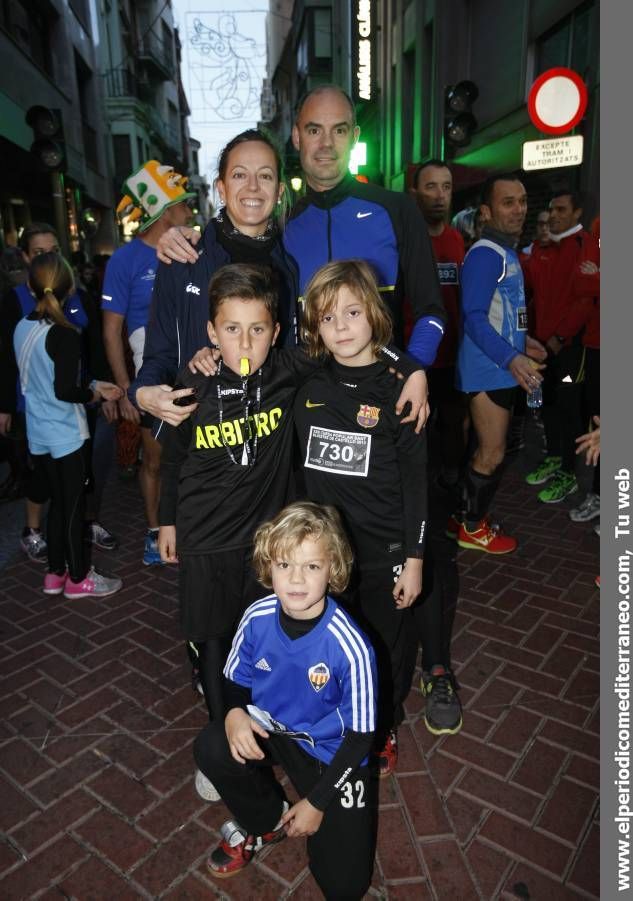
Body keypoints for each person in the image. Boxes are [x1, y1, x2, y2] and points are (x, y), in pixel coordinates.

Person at [156, 86, 446, 423]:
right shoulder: (281, 228)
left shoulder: (397, 211)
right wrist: (184, 235)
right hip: (306, 410)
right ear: (296, 137)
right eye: (313, 130)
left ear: (354, 136)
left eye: (338, 130)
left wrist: (412, 368)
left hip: (386, 400)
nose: (326, 144)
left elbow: (433, 312)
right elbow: (233, 249)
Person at [295, 259, 461, 762]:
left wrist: (413, 560)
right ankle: (338, 714)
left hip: (387, 548)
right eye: (327, 318)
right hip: (328, 553)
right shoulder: (306, 382)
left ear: (374, 312)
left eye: (351, 313)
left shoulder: (399, 390)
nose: (341, 327)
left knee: (384, 649)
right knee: (333, 645)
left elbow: (416, 485)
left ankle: (381, 723)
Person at [193, 501, 377, 896]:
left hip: (331, 753)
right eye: (284, 565)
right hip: (274, 733)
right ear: (267, 567)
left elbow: (362, 738)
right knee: (213, 744)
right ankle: (265, 821)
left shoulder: (350, 648)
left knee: (346, 886)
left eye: (312, 566)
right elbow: (233, 681)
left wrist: (318, 802)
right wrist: (234, 714)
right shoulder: (256, 617)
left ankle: (315, 814)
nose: (296, 579)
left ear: (334, 569)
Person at [0, 222, 116, 557]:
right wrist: (5, 405)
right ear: (25, 256)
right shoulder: (15, 301)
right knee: (42, 477)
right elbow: (6, 358)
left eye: (53, 251)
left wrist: (101, 390)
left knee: (85, 470)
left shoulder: (77, 295)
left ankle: (86, 524)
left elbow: (93, 348)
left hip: (77, 407)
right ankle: (34, 531)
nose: (48, 257)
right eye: (39, 252)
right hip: (35, 409)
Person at [13, 252, 123, 598]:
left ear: (31, 287)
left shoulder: (22, 327)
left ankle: (54, 573)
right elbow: (65, 391)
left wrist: (91, 387)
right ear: (69, 288)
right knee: (73, 507)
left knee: (58, 505)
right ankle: (78, 579)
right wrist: (94, 396)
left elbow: (46, 383)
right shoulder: (66, 334)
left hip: (39, 433)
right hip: (67, 435)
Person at [102, 160, 195, 565]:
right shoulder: (124, 261)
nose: (190, 211)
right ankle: (155, 532)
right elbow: (110, 332)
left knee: (195, 452)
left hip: (194, 364)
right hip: (150, 373)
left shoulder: (194, 247)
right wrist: (125, 391)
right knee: (155, 457)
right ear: (164, 211)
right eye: (183, 204)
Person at [455, 173, 547, 554]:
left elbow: (500, 314)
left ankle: (464, 517)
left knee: (487, 450)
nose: (519, 209)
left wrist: (523, 342)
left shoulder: (504, 252)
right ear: (487, 211)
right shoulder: (485, 253)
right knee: (491, 453)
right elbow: (473, 316)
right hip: (488, 368)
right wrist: (511, 356)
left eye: (523, 201)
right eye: (508, 202)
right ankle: (471, 527)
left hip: (500, 364)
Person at [522, 189, 600, 505]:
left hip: (570, 348)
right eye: (552, 209)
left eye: (562, 210)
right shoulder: (545, 248)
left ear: (577, 213)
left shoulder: (586, 245)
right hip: (542, 346)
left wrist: (559, 338)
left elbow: (584, 301)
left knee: (570, 409)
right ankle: (555, 457)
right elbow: (534, 294)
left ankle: (569, 472)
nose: (554, 215)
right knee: (548, 403)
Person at [409, 159, 468, 493]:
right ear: (415, 191)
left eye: (446, 187)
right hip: (413, 354)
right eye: (431, 186)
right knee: (415, 425)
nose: (440, 195)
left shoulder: (458, 240)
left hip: (450, 355)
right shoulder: (404, 240)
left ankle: (450, 481)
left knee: (451, 422)